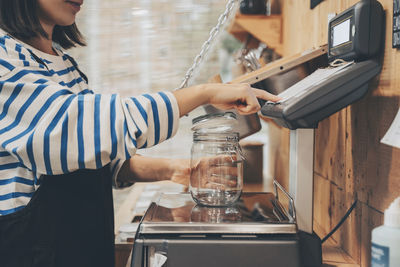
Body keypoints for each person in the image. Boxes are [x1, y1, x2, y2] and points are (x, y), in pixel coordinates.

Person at [0, 0, 280, 266]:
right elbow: (76, 131)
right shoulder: (5, 60)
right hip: (33, 252)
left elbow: (91, 155)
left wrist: (176, 169)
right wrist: (203, 93)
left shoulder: (61, 62)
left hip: (80, 248)